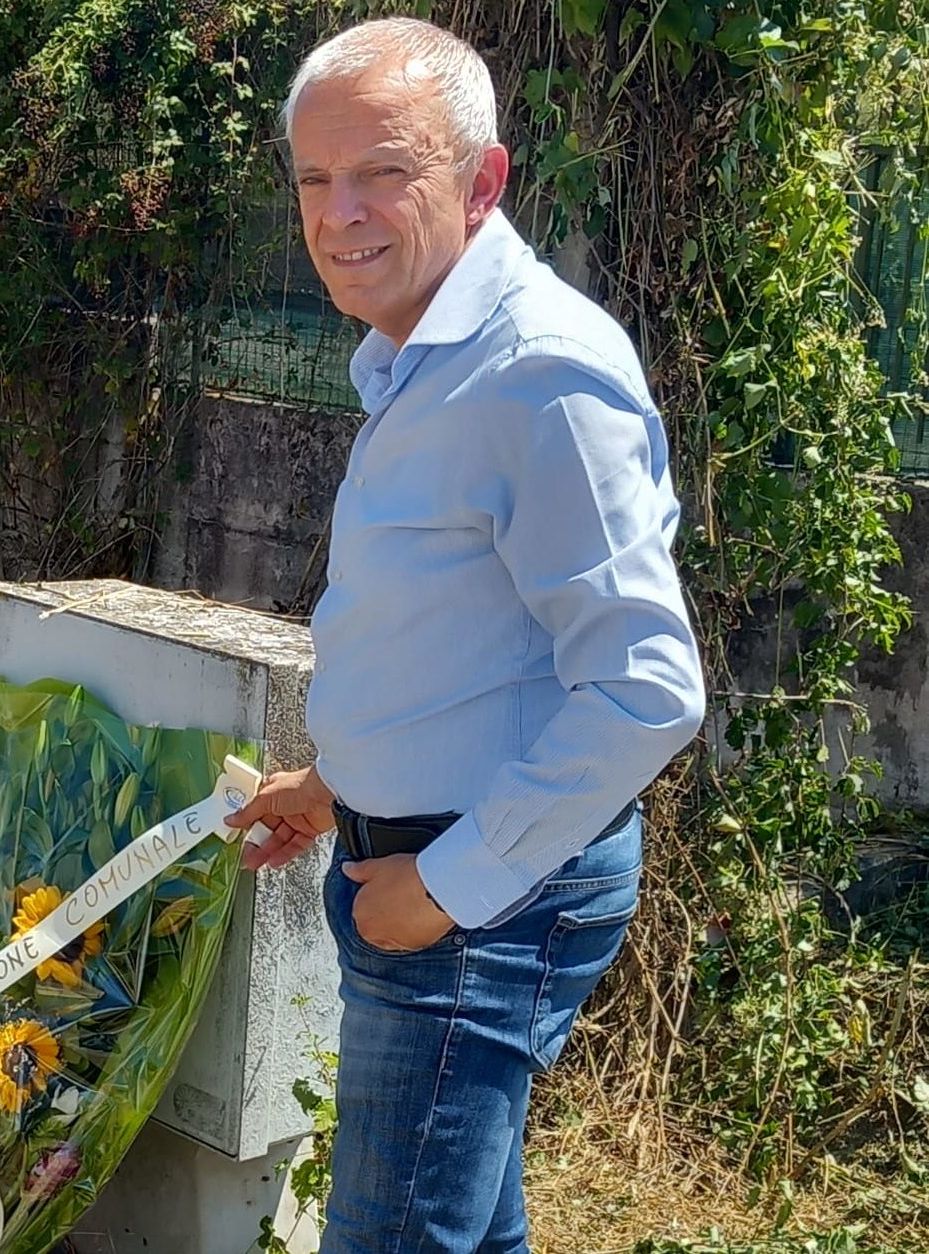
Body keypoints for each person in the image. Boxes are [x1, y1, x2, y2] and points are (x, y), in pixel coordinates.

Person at [225, 18, 706, 1254]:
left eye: (384, 171)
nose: (340, 214)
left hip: (485, 898)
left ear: (481, 180)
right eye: (315, 180)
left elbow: (646, 687)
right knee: (468, 1234)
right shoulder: (420, 353)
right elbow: (477, 642)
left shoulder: (536, 370)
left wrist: (444, 887)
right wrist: (345, 785)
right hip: (429, 862)